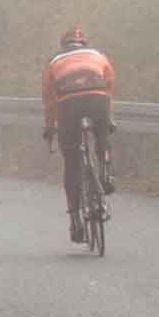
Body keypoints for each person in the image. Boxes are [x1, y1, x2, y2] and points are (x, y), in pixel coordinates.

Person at [42, 25, 117, 244]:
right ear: (83, 43)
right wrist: (106, 116)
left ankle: (75, 220)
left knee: (72, 163)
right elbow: (109, 83)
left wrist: (50, 127)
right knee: (103, 136)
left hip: (68, 105)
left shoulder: (53, 62)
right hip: (97, 99)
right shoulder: (97, 54)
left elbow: (49, 100)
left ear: (63, 45)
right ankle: (104, 174)